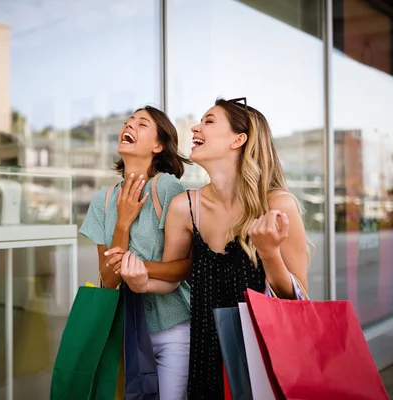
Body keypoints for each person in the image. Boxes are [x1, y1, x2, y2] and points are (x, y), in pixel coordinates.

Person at [108, 98, 310, 399]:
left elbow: (298, 300)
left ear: (238, 140)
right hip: (205, 357)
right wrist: (142, 282)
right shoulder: (185, 206)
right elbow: (172, 280)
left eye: (209, 121)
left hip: (263, 356)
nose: (195, 127)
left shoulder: (278, 205)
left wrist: (269, 254)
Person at [79, 105, 192, 399]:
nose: (129, 126)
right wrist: (123, 221)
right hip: (125, 332)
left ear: (158, 145)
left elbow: (184, 267)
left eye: (142, 124)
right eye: (128, 122)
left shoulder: (168, 188)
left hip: (174, 330)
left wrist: (139, 267)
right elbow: (109, 279)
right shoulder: (102, 201)